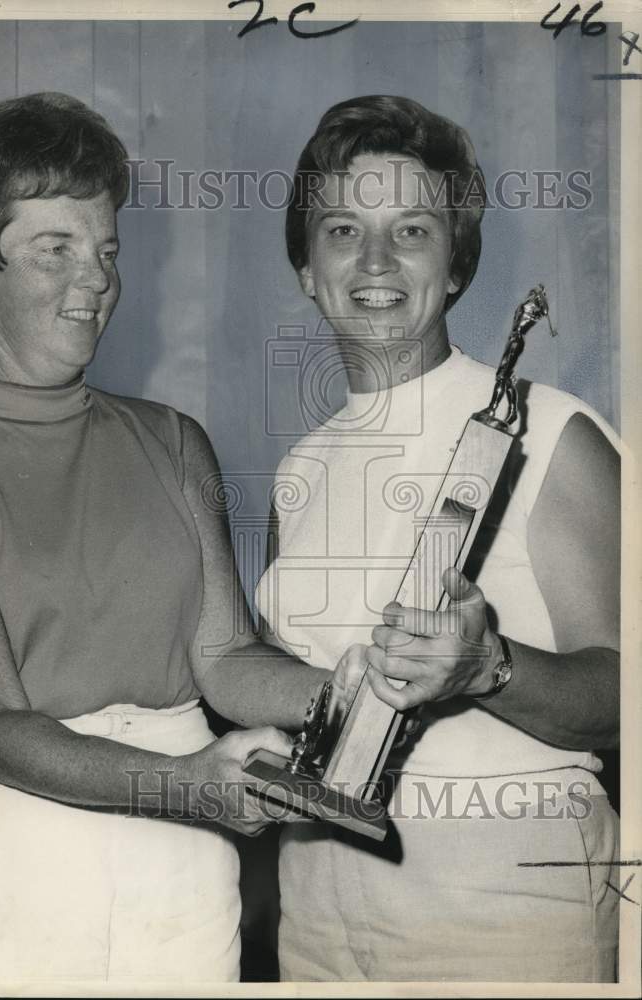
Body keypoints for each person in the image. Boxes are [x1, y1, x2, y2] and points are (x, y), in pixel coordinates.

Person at [0, 92, 361, 984]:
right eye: (55, 249)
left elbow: (223, 658)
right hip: (5, 844)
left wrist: (352, 690)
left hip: (182, 846)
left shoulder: (173, 442)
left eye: (105, 251)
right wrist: (185, 785)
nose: (95, 279)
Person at [254, 95, 620, 982]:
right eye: (343, 230)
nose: (375, 260)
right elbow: (281, 693)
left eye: (412, 230)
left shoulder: (551, 432)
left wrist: (488, 668)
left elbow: (628, 695)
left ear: (455, 263)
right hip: (316, 915)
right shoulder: (298, 471)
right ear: (306, 266)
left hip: (505, 907)